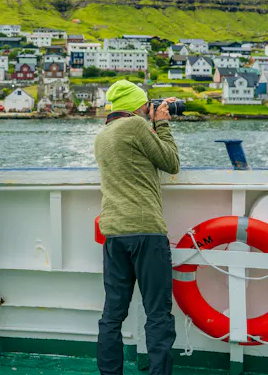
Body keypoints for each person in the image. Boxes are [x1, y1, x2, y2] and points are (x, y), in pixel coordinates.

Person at [94, 80, 180, 375]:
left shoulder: (104, 135)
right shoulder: (136, 127)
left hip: (114, 234)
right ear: (135, 108)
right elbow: (170, 162)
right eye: (144, 106)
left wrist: (149, 120)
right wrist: (163, 124)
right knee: (157, 314)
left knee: (112, 315)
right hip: (146, 231)